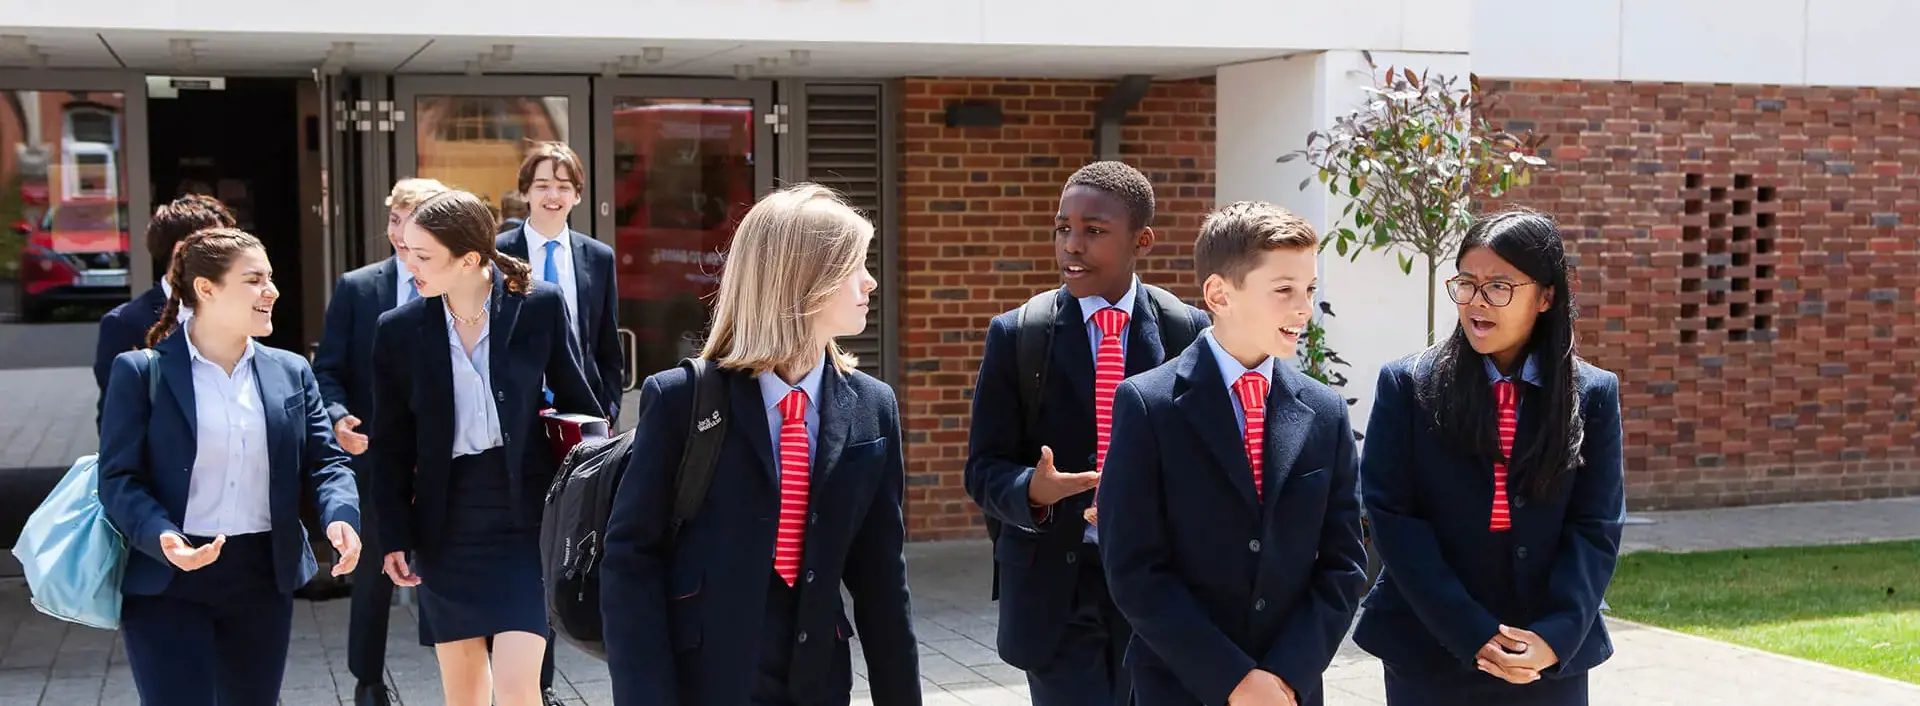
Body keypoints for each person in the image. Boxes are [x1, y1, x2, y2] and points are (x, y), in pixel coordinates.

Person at [600, 184, 920, 706]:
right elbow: (631, 562)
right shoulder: (682, 399)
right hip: (704, 680)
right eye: (855, 266)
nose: (871, 281)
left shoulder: (872, 405)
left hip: (817, 680)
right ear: (803, 282)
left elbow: (882, 577)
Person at [1098, 201, 1367, 706]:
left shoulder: (1325, 411)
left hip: (1290, 689)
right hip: (1181, 685)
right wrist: (1234, 680)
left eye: (1308, 289)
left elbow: (1343, 565)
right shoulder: (1147, 405)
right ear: (1219, 293)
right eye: (1283, 290)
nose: (1304, 307)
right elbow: (1134, 569)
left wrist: (1286, 675)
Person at [1353, 210, 1624, 706]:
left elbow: (1596, 526)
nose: (1477, 302)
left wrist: (1555, 637)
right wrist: (1471, 631)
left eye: (1499, 286)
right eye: (1468, 284)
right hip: (1430, 646)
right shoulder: (1409, 385)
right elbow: (1394, 519)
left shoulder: (1593, 393)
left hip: (1544, 658)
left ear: (1546, 296)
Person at [964, 160, 1207, 706]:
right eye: (1063, 228)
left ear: (1141, 240)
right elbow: (983, 468)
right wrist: (1033, 490)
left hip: (1158, 588)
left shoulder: (1186, 332)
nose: (1072, 245)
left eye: (1094, 231)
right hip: (1055, 592)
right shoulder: (1018, 335)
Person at [97, 227, 363, 705]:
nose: (272, 291)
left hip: (261, 577)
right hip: (168, 579)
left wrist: (340, 515)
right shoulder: (140, 371)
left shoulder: (291, 370)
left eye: (271, 278)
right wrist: (162, 535)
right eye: (254, 279)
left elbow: (325, 462)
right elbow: (118, 479)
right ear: (206, 289)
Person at [367, 189, 603, 706]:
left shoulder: (537, 306)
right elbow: (388, 446)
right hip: (445, 525)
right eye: (406, 250)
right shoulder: (399, 331)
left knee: (520, 690)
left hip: (525, 517)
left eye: (422, 255)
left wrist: (590, 502)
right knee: (466, 694)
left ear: (470, 258)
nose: (409, 265)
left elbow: (580, 406)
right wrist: (392, 536)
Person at [312, 177, 447, 706]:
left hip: (438, 457)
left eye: (411, 219)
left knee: (439, 567)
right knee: (372, 574)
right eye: (394, 218)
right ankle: (367, 682)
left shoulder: (454, 285)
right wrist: (340, 417)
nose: (398, 231)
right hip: (375, 456)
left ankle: (456, 675)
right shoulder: (357, 287)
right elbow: (327, 371)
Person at [496, 142, 624, 426]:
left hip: (582, 408)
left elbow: (607, 344)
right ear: (525, 192)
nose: (553, 196)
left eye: (564, 187)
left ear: (577, 195)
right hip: (514, 410)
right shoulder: (498, 254)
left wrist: (609, 408)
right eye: (542, 186)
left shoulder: (599, 257)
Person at [94, 193, 236, 428]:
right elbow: (115, 420)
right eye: (220, 247)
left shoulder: (238, 310)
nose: (231, 258)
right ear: (182, 251)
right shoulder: (126, 323)